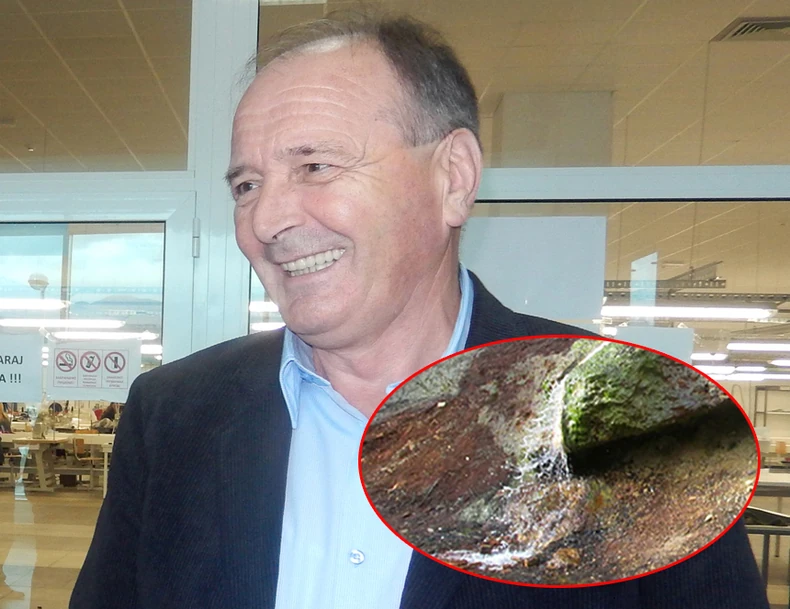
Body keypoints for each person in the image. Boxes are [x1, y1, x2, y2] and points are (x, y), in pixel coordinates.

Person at [70, 11, 768, 609]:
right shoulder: (174, 415)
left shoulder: (640, 432)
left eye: (315, 166)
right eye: (247, 185)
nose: (267, 219)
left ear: (453, 178)